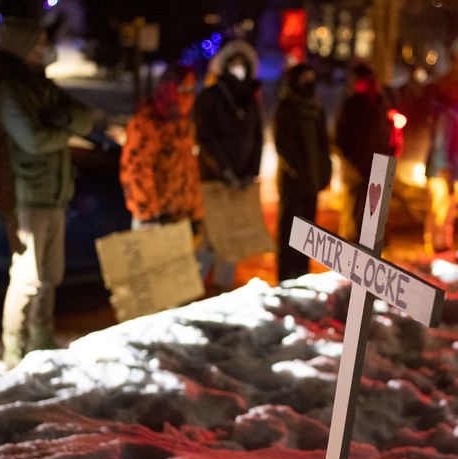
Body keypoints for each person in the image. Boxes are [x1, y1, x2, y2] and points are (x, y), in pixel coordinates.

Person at [0, 18, 96, 367]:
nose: (44, 50)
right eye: (37, 44)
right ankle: (13, 347)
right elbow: (33, 140)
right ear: (22, 50)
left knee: (50, 275)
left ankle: (42, 336)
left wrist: (61, 121)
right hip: (28, 193)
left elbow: (85, 119)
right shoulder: (11, 89)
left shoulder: (42, 85)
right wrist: (64, 131)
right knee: (26, 278)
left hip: (54, 191)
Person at [194, 44, 264, 290]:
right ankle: (194, 291)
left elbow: (257, 138)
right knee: (210, 238)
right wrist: (224, 171)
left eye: (243, 64)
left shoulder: (250, 101)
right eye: (234, 63)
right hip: (214, 179)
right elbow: (205, 138)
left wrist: (250, 173)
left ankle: (222, 290)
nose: (239, 69)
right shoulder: (210, 97)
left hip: (241, 182)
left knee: (232, 240)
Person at [120, 64, 203, 229]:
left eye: (190, 89)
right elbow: (136, 170)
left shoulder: (183, 125)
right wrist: (150, 213)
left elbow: (189, 170)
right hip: (155, 221)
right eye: (182, 89)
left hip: (182, 218)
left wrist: (196, 211)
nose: (187, 96)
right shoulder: (147, 124)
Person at [274, 63, 332, 281]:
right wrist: (297, 170)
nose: (308, 84)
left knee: (308, 234)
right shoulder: (287, 109)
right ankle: (286, 277)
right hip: (293, 184)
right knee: (289, 231)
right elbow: (283, 145)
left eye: (311, 79)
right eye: (304, 79)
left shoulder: (316, 110)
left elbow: (324, 146)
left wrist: (324, 173)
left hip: (312, 183)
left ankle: (302, 275)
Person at [333, 63, 394, 241]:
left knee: (372, 216)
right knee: (354, 213)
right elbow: (341, 138)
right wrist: (351, 163)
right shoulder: (351, 105)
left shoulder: (379, 103)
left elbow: (385, 133)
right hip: (357, 168)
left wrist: (388, 153)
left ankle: (369, 249)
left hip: (377, 166)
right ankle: (351, 252)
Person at [423, 79, 458, 253]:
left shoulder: (446, 114)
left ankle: (436, 245)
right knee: (442, 211)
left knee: (438, 210)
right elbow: (442, 146)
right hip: (442, 174)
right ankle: (438, 246)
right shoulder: (447, 116)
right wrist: (447, 173)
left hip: (440, 173)